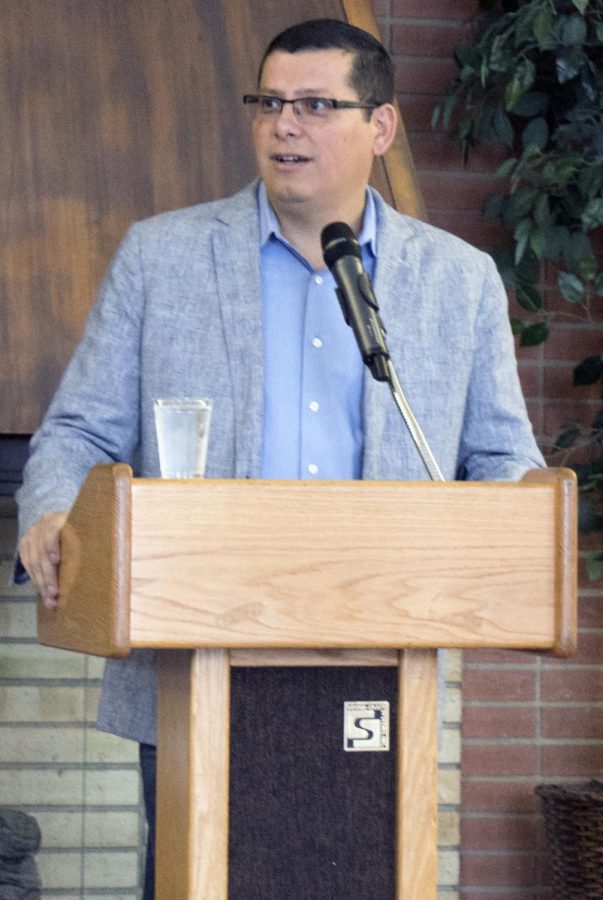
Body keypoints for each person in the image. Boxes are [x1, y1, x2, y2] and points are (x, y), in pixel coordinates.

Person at [16, 17, 544, 899]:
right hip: (192, 670)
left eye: (313, 105)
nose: (282, 125)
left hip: (379, 666)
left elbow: (500, 459)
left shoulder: (456, 282)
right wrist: (50, 509)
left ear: (378, 129)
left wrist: (517, 536)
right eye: (268, 103)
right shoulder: (163, 257)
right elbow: (78, 432)